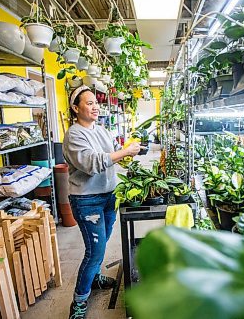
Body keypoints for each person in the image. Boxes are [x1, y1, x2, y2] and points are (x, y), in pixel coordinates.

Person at [63, 85, 140, 319]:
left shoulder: (102, 130)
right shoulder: (74, 134)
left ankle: (94, 278)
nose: (95, 106)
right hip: (87, 200)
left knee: (103, 243)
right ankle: (78, 302)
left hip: (108, 195)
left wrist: (128, 154)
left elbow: (113, 153)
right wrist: (124, 153)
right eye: (89, 103)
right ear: (76, 108)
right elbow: (92, 163)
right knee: (94, 252)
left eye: (96, 103)